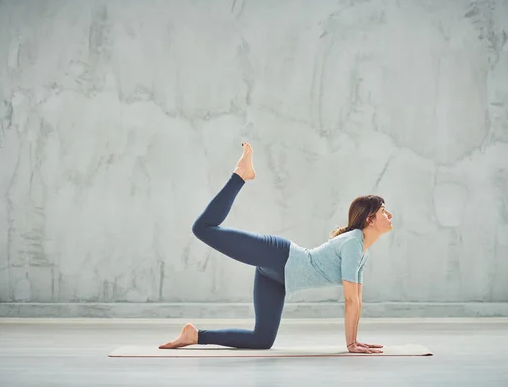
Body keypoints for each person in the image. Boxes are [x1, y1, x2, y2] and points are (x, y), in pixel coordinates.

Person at [159, 142, 393, 354]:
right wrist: (351, 344)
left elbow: (357, 300)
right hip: (279, 256)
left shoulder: (362, 253)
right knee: (203, 228)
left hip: (279, 278)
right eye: (384, 211)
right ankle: (241, 175)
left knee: (262, 339)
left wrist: (354, 341)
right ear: (370, 220)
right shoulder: (353, 242)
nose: (389, 215)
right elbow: (351, 300)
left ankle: (195, 336)